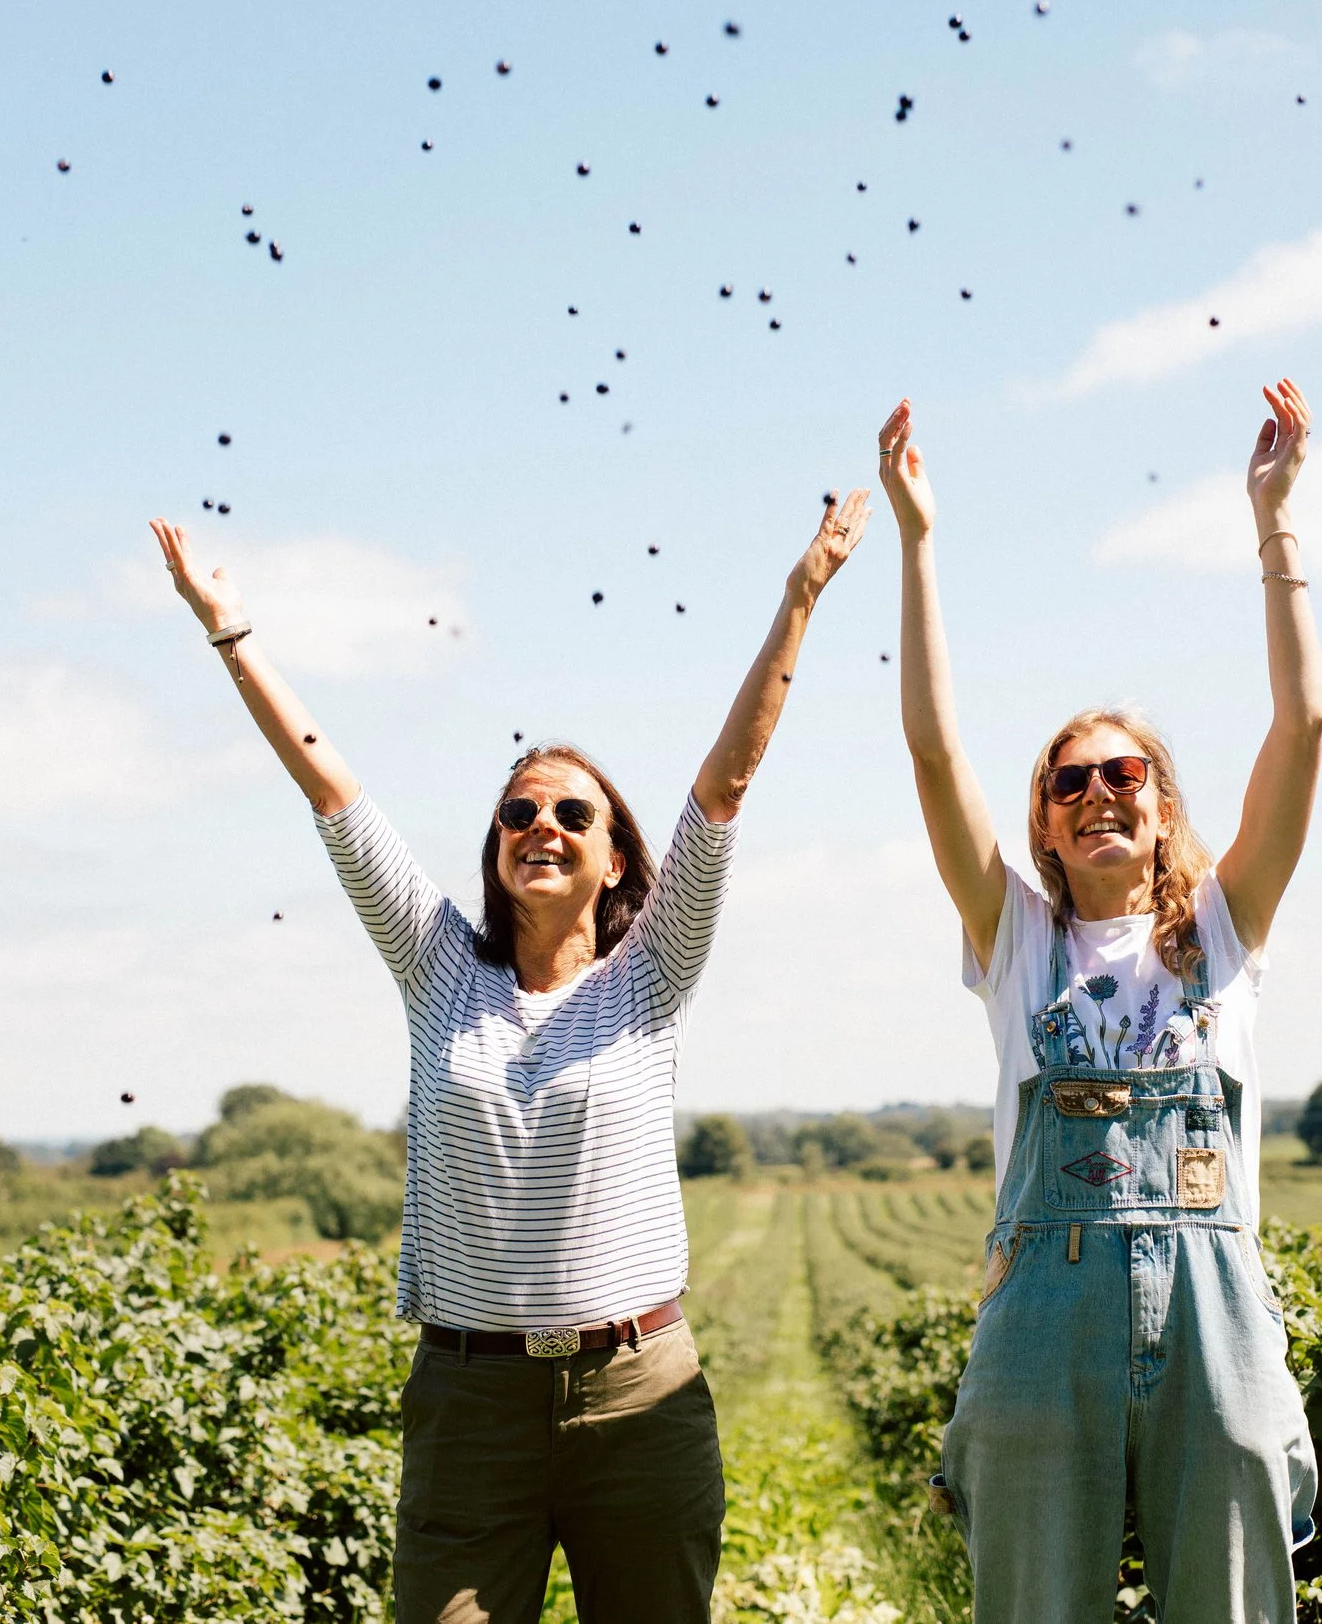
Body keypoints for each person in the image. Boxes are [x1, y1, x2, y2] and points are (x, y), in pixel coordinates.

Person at [148, 489, 870, 1624]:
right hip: (471, 1396)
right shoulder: (439, 967)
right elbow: (333, 791)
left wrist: (801, 595)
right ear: (494, 843)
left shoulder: (649, 974)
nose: (542, 824)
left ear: (618, 857)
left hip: (638, 1388)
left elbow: (725, 786)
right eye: (518, 809)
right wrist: (233, 634)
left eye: (573, 814)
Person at [877, 383, 1322, 1622]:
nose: (1098, 792)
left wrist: (1273, 525)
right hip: (1044, 1319)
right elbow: (932, 753)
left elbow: (1306, 722)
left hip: (1214, 1315)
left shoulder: (1226, 931)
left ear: (1162, 802)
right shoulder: (1016, 937)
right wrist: (918, 543)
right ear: (1045, 824)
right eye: (1068, 781)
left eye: (1126, 772)